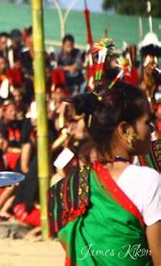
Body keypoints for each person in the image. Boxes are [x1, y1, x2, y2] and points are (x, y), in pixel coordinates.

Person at [49, 82, 161, 265]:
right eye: (147, 122)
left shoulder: (77, 183)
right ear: (125, 130)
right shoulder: (148, 180)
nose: (152, 128)